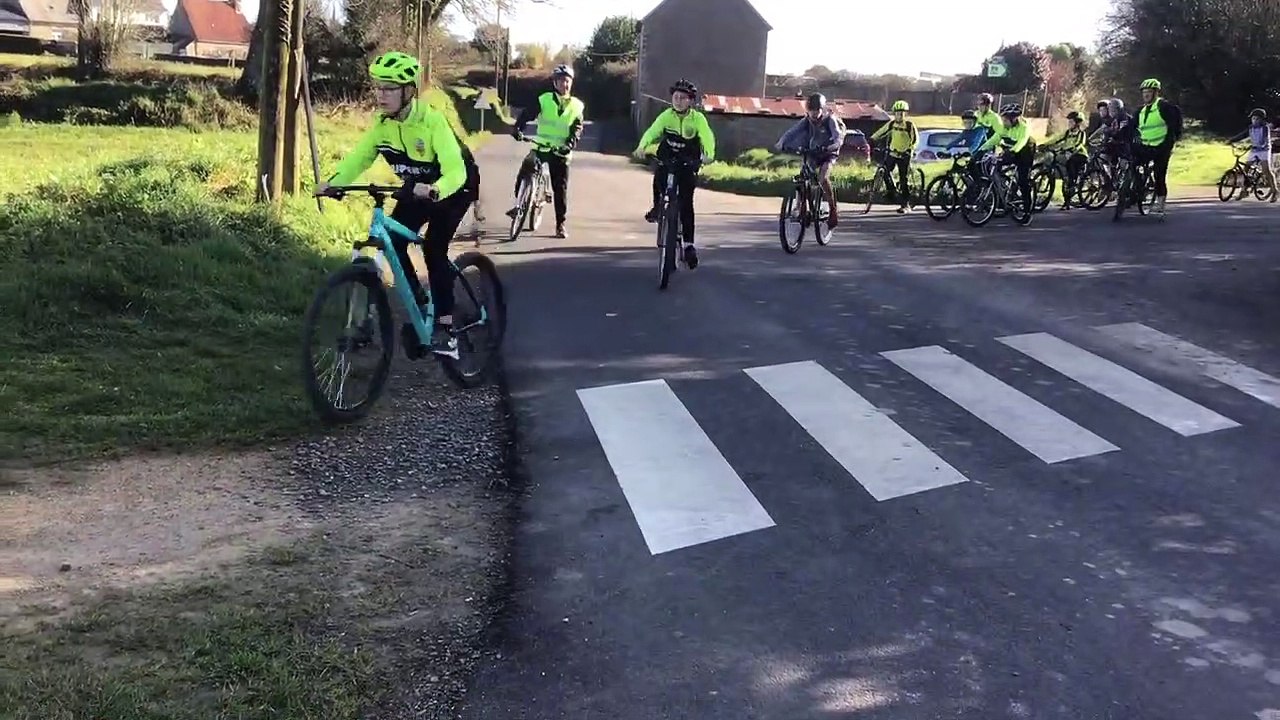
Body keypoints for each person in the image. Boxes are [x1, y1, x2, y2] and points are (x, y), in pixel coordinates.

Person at [315, 50, 476, 359]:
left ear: (408, 91)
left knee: (433, 248)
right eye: (377, 86)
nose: (381, 94)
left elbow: (455, 170)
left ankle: (445, 321)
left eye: (389, 88)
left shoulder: (431, 121)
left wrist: (436, 189)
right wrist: (335, 182)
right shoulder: (383, 125)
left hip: (455, 186)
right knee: (396, 240)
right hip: (416, 189)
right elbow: (359, 158)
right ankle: (418, 300)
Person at [633, 78, 716, 269]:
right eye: (675, 97)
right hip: (668, 154)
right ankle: (657, 207)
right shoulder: (666, 115)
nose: (678, 100)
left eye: (683, 97)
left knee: (686, 202)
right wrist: (642, 146)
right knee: (659, 176)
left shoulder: (697, 119)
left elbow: (707, 138)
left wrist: (709, 155)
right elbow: (652, 131)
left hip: (689, 159)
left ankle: (688, 245)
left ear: (690, 101)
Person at [507, 64, 585, 238]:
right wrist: (518, 128)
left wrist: (569, 145)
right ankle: (519, 203)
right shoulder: (544, 99)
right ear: (555, 83)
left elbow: (577, 130)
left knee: (560, 188)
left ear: (571, 83)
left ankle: (560, 224)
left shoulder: (577, 106)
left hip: (560, 151)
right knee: (526, 167)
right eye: (561, 81)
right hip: (541, 146)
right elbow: (528, 114)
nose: (564, 85)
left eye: (567, 81)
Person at [773, 92, 844, 227]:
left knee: (823, 177)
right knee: (803, 176)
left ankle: (833, 210)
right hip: (813, 152)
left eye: (816, 111)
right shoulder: (807, 120)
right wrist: (782, 142)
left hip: (828, 153)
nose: (814, 114)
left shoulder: (830, 120)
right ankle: (801, 207)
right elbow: (792, 132)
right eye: (811, 111)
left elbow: (837, 138)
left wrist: (831, 146)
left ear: (822, 109)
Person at [1132, 78, 1184, 214]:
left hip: (1162, 147)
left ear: (1156, 93)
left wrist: (1169, 143)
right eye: (1144, 93)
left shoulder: (1164, 107)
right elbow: (1131, 127)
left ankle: (1160, 206)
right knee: (1131, 163)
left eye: (1149, 92)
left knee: (1159, 175)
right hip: (1146, 146)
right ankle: (1137, 189)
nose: (1146, 95)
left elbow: (1173, 127)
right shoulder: (1140, 111)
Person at [977, 103, 1036, 215]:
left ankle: (1027, 209)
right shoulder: (1004, 127)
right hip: (1010, 150)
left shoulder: (1023, 127)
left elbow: (1021, 142)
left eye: (1005, 120)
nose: (1003, 122)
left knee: (1023, 181)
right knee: (994, 167)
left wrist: (1011, 151)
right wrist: (980, 150)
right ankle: (1004, 192)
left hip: (1025, 152)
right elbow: (994, 139)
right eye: (1002, 119)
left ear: (1014, 119)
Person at [870, 99, 919, 213]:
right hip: (893, 153)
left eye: (902, 113)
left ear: (905, 114)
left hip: (904, 155)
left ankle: (905, 205)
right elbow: (881, 132)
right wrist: (872, 139)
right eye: (897, 113)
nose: (899, 115)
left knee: (903, 180)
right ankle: (891, 191)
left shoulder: (909, 125)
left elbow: (915, 140)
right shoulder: (892, 124)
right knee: (884, 172)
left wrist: (909, 149)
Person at [1039, 110, 1089, 209]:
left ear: (1077, 123)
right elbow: (1056, 139)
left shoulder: (1081, 133)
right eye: (1069, 122)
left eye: (1071, 122)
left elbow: (1079, 144)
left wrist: (1070, 151)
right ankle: (1065, 185)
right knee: (1058, 163)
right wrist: (1045, 144)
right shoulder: (1067, 133)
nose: (1069, 124)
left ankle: (1072, 183)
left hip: (1079, 155)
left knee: (1071, 166)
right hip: (1067, 154)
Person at [1226, 108, 1277, 201]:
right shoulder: (1251, 128)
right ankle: (1244, 190)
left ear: (1262, 119)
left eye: (1256, 118)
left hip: (1264, 150)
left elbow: (1264, 139)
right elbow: (1243, 135)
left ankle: (1275, 191)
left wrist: (1259, 145)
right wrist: (1232, 140)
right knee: (1245, 168)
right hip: (1254, 150)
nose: (1254, 120)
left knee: (1266, 170)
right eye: (1253, 118)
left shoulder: (1265, 127)